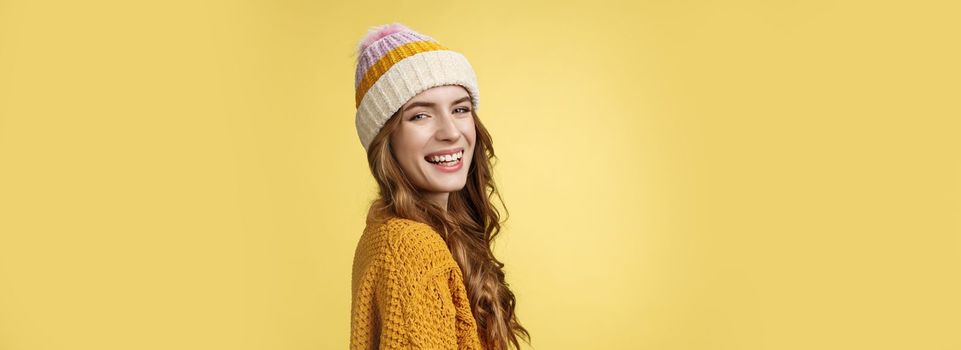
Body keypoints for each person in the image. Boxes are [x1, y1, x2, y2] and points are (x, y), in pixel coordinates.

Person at [349, 23, 531, 349]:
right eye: (420, 115)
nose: (450, 132)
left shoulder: (394, 233)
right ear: (385, 139)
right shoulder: (410, 249)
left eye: (460, 109)